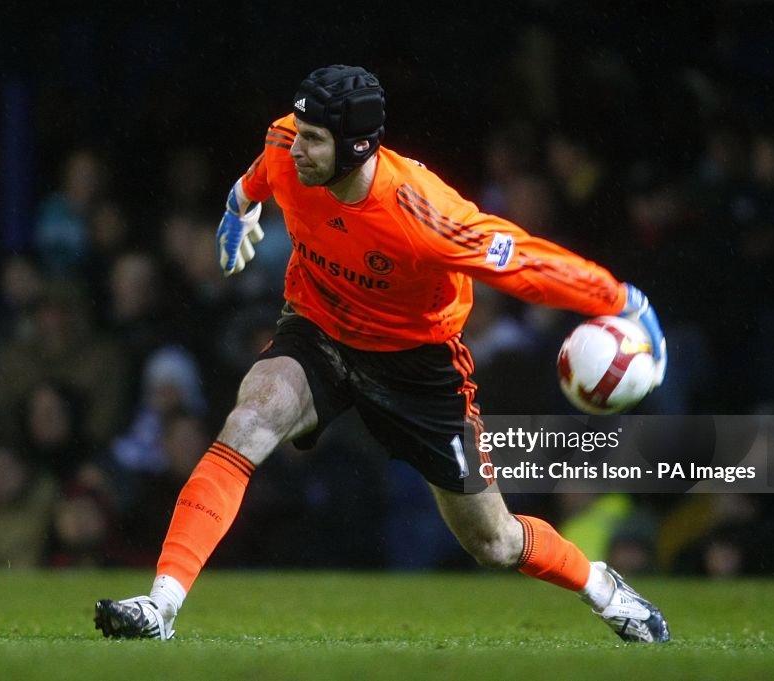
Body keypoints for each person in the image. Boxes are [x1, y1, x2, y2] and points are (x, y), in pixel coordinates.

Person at [94, 65, 670, 643]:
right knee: (250, 417)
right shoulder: (287, 144)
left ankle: (600, 587)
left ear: (357, 146)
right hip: (318, 328)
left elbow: (521, 262)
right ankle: (160, 604)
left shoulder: (422, 212)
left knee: (492, 541)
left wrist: (619, 298)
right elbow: (258, 177)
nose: (298, 146)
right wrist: (237, 209)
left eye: (315, 138)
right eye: (298, 129)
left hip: (418, 366)